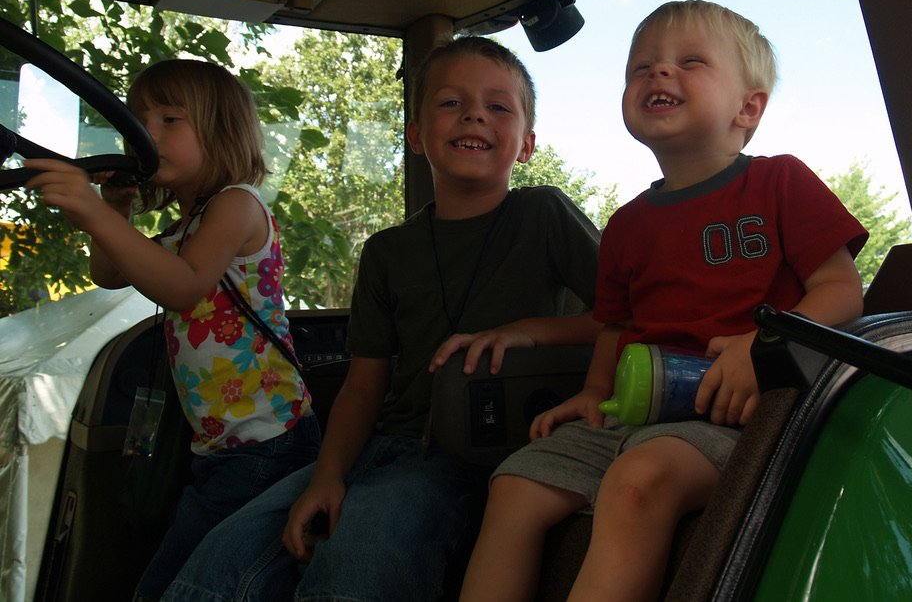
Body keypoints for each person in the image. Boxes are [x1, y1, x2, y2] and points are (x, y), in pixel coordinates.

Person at [160, 35, 602, 601]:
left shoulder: (543, 214)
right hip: (384, 445)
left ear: (527, 144)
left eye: (498, 106)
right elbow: (364, 385)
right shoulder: (389, 251)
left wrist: (530, 334)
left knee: (356, 563)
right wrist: (327, 476)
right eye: (450, 102)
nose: (474, 114)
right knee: (217, 565)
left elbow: (631, 314)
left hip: (474, 452)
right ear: (416, 136)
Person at [459, 0, 869, 602]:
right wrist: (595, 393)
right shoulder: (627, 225)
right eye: (640, 67)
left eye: (690, 62)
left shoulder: (780, 183)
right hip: (636, 406)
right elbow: (614, 326)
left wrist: (765, 344)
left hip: (739, 414)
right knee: (514, 486)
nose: (657, 74)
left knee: (638, 481)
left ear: (748, 107)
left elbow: (842, 292)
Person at [23, 59, 322, 601]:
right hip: (221, 445)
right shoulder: (185, 226)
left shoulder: (236, 205)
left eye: (169, 120)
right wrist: (116, 205)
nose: (144, 134)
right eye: (137, 120)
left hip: (266, 442)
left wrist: (94, 213)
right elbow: (111, 273)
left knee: (185, 589)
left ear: (220, 131)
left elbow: (183, 286)